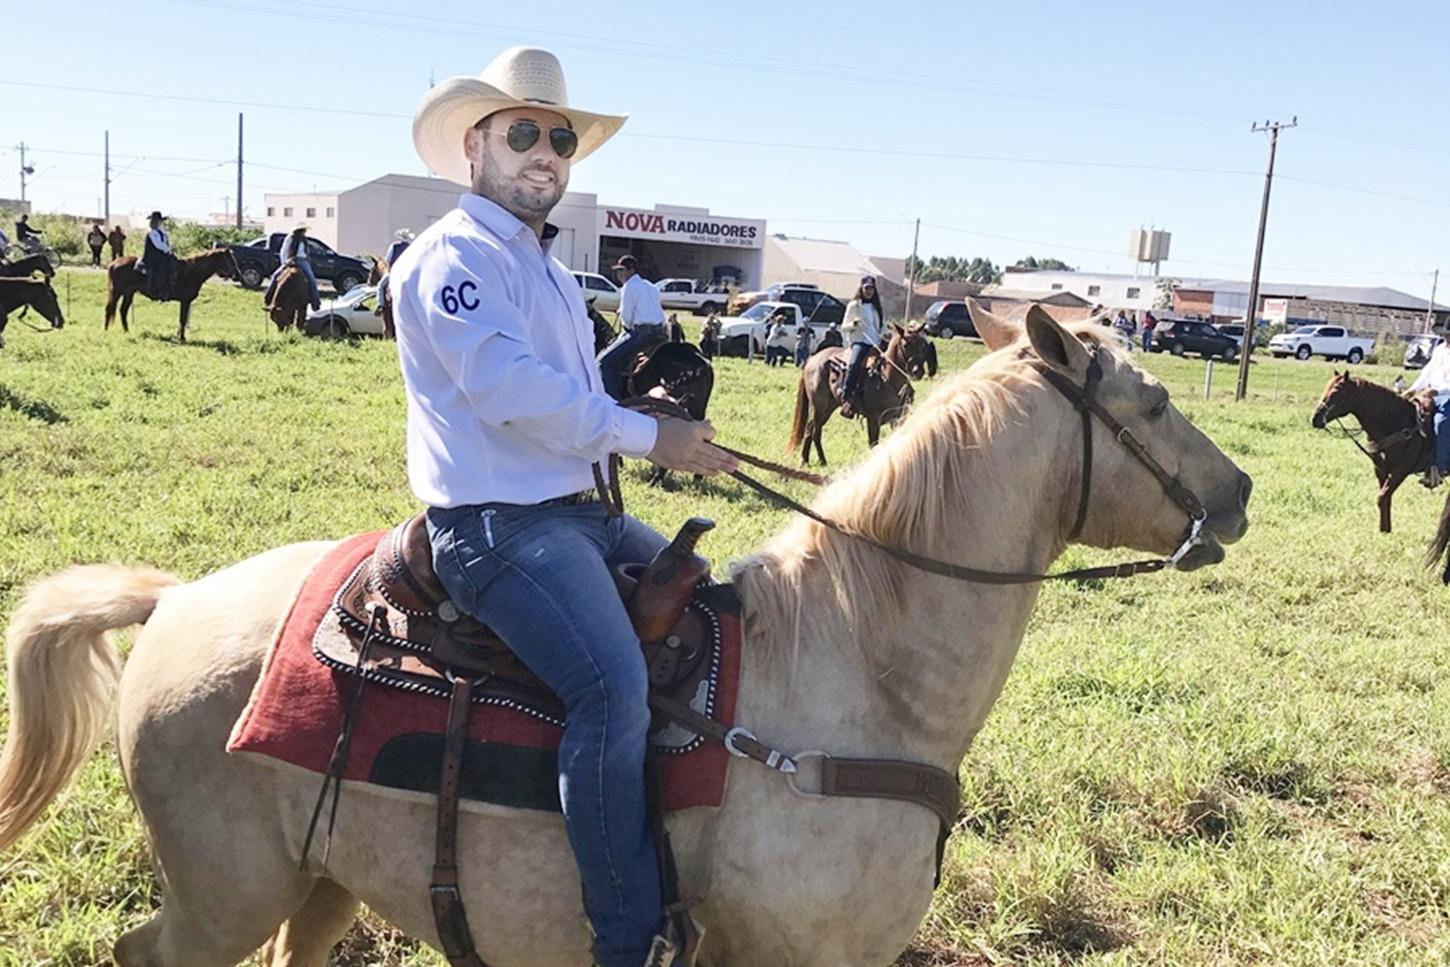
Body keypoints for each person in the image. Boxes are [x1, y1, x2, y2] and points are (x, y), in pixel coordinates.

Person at [392, 46, 736, 967]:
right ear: (475, 143)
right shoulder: (453, 259)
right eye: (525, 133)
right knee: (612, 689)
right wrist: (644, 434)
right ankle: (628, 937)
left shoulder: (541, 263)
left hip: (578, 510)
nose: (547, 151)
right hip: (498, 527)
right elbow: (509, 389)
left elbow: (566, 391)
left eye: (561, 137)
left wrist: (641, 417)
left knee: (724, 609)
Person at [598, 253, 666, 397]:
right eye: (618, 270)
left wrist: (625, 325)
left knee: (605, 362)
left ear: (632, 270)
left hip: (640, 333)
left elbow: (627, 318)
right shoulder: (651, 286)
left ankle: (613, 401)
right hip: (660, 332)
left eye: (622, 270)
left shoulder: (629, 286)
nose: (619, 274)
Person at [839, 275, 885, 417]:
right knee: (855, 363)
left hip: (876, 342)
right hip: (860, 341)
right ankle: (846, 397)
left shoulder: (875, 307)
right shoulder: (854, 305)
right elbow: (844, 327)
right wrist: (854, 324)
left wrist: (887, 332)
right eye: (866, 288)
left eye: (871, 288)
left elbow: (880, 326)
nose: (869, 291)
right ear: (861, 288)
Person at [1410, 338, 1450, 487]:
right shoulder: (1439, 349)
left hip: (1447, 395)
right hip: (1432, 394)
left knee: (1441, 424)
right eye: (1446, 334)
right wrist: (1413, 389)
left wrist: (1438, 390)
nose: (1448, 338)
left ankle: (1440, 469)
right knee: (1412, 415)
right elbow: (1427, 373)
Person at [268, 224, 321, 311]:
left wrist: (307, 260)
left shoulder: (304, 240)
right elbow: (284, 251)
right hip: (292, 259)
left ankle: (315, 303)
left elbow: (306, 253)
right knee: (275, 276)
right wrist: (285, 262)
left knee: (311, 279)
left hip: (303, 260)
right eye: (303, 230)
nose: (304, 232)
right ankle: (269, 298)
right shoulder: (290, 238)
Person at [136, 211, 174, 299]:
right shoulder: (151, 233)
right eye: (154, 221)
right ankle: (158, 290)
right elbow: (159, 245)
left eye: (157, 221)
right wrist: (168, 250)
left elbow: (166, 243)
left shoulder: (163, 233)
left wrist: (170, 250)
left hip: (162, 256)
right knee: (161, 268)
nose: (155, 223)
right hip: (152, 257)